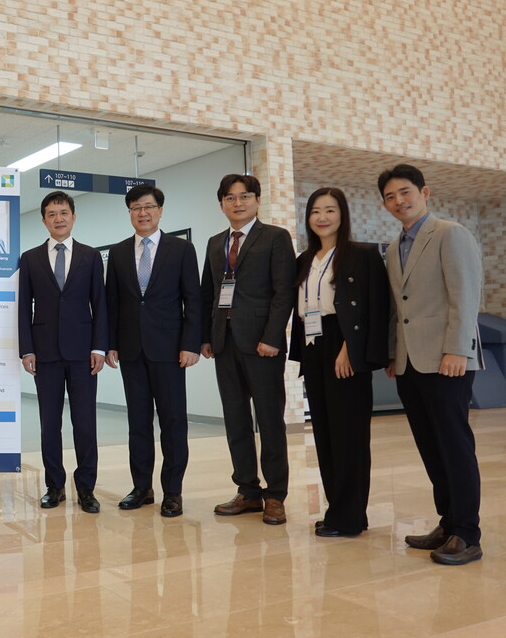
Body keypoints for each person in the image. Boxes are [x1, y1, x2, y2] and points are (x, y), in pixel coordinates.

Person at [379, 164, 484, 565]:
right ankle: (448, 521)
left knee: (454, 446)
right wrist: (394, 353)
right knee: (430, 446)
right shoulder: (394, 247)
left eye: (405, 192)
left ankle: (467, 534)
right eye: (390, 196)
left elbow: (465, 296)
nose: (398, 201)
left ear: (425, 192)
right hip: (410, 363)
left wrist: (457, 350)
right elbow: (397, 307)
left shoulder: (450, 234)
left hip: (446, 360)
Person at [289, 188, 388, 538]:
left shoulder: (362, 255)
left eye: (330, 210)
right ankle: (338, 510)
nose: (322, 217)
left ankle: (349, 517)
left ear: (342, 215)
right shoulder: (305, 259)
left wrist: (350, 348)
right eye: (315, 211)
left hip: (344, 344)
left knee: (349, 435)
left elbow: (376, 306)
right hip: (313, 344)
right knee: (325, 434)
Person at [200, 174, 295, 525]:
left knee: (269, 421)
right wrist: (206, 336)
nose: (237, 203)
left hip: (261, 344)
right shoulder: (215, 243)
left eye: (244, 196)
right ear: (221, 204)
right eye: (230, 198)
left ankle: (276, 495)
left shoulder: (275, 237)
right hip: (224, 343)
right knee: (236, 420)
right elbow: (209, 292)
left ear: (256, 200)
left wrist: (272, 337)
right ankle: (248, 490)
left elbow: (284, 291)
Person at [105, 184, 200, 518]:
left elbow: (193, 299)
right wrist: (111, 343)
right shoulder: (118, 252)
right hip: (132, 350)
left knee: (173, 422)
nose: (142, 213)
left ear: (160, 210)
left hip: (170, 351)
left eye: (148, 207)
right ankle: (142, 487)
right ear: (129, 213)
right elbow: (112, 302)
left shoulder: (181, 249)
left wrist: (190, 344)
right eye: (135, 208)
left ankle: (173, 491)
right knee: (138, 423)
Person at [18, 191, 107, 513]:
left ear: (73, 217)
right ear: (44, 220)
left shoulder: (90, 256)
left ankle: (86, 488)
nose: (59, 219)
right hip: (45, 353)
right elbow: (23, 307)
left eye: (64, 212)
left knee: (85, 424)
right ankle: (54, 486)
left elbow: (100, 304)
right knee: (49, 423)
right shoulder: (30, 258)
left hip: (83, 353)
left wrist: (99, 346)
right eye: (52, 214)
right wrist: (26, 349)